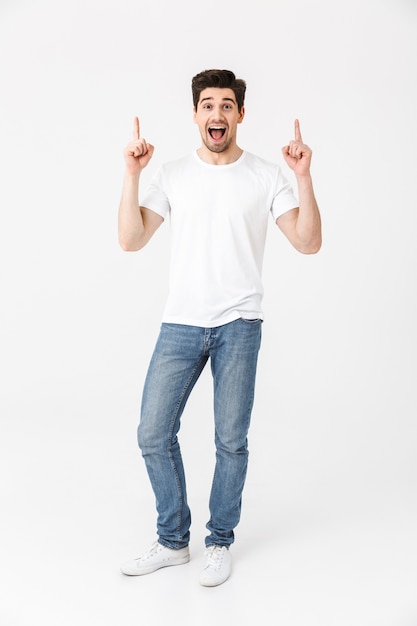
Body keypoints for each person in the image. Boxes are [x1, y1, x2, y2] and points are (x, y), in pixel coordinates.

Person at [118, 69, 321, 587]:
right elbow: (131, 239)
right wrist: (132, 173)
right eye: (207, 105)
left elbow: (307, 241)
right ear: (195, 114)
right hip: (181, 323)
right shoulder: (171, 174)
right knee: (152, 434)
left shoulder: (265, 175)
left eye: (226, 106)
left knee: (231, 442)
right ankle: (172, 540)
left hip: (238, 325)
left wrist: (302, 175)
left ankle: (219, 541)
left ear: (240, 115)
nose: (217, 114)